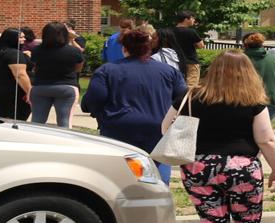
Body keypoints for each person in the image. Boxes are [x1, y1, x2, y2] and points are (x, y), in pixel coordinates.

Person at [169, 51, 275, 223]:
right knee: (247, 220)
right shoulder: (253, 101)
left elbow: (166, 127)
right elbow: (266, 139)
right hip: (242, 168)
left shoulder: (190, 96)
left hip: (199, 168)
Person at [81, 28, 187, 182]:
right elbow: (183, 99)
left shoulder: (107, 70)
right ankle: (158, 190)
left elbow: (93, 100)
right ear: (149, 48)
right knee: (157, 169)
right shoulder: (169, 71)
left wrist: (96, 112)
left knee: (119, 175)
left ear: (124, 48)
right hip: (158, 128)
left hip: (118, 127)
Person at [28, 22, 83, 128]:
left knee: (37, 122)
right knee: (64, 121)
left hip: (40, 86)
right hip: (66, 87)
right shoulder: (73, 51)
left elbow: (34, 66)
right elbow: (78, 68)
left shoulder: (36, 50)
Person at [0, 28, 32, 120]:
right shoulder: (14, 54)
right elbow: (20, 75)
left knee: (1, 120)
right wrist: (30, 91)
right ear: (12, 39)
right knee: (17, 121)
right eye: (21, 37)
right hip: (14, 94)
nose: (24, 39)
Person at [172, 11, 205, 87]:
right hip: (191, 62)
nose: (194, 20)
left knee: (177, 84)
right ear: (186, 19)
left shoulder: (171, 31)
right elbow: (201, 45)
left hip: (176, 61)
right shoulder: (191, 32)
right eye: (192, 18)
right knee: (191, 86)